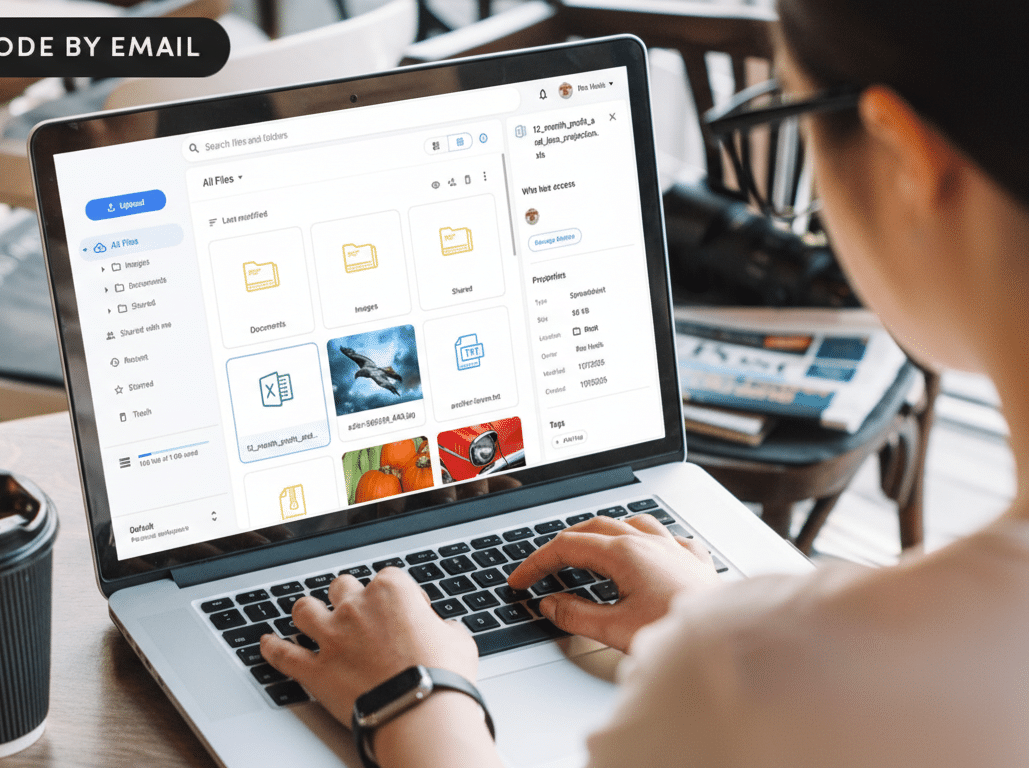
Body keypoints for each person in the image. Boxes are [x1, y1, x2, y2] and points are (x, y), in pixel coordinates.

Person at [260, 0, 1029, 765]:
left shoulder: (773, 679)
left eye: (789, 113)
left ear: (904, 159)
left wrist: (412, 698)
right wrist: (721, 621)